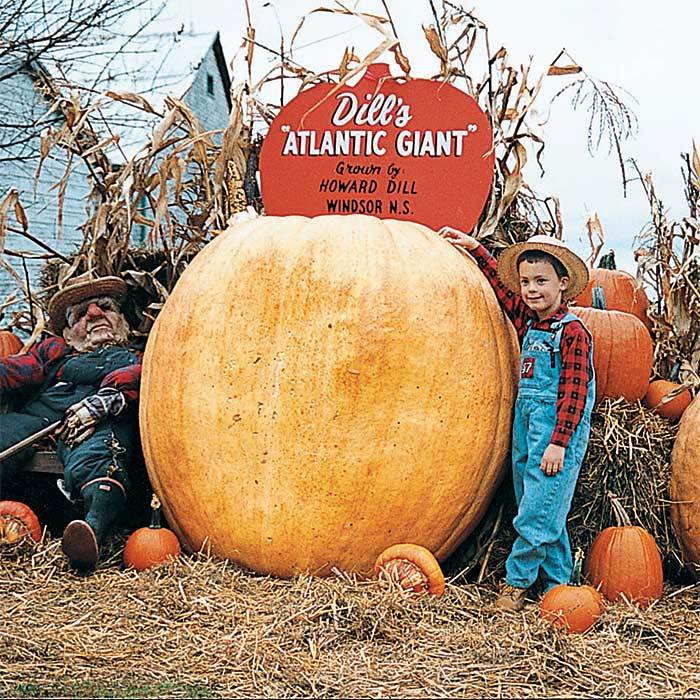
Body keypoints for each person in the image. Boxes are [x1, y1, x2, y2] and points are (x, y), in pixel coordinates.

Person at [439, 228, 595, 611]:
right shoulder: (530, 324)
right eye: (526, 282)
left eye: (541, 281)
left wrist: (559, 442)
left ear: (562, 284)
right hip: (527, 428)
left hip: (557, 432)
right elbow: (504, 292)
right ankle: (559, 589)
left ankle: (516, 583)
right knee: (542, 508)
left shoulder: (572, 333)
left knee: (536, 511)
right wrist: (477, 250)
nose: (531, 289)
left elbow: (574, 394)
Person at [0, 273, 142, 572]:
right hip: (41, 422)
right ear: (66, 334)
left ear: (124, 322)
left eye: (105, 307)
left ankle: (90, 530)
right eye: (81, 313)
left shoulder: (138, 357)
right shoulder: (54, 353)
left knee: (102, 450)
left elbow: (146, 377)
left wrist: (104, 402)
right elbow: (17, 371)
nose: (94, 314)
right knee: (6, 433)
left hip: (96, 424)